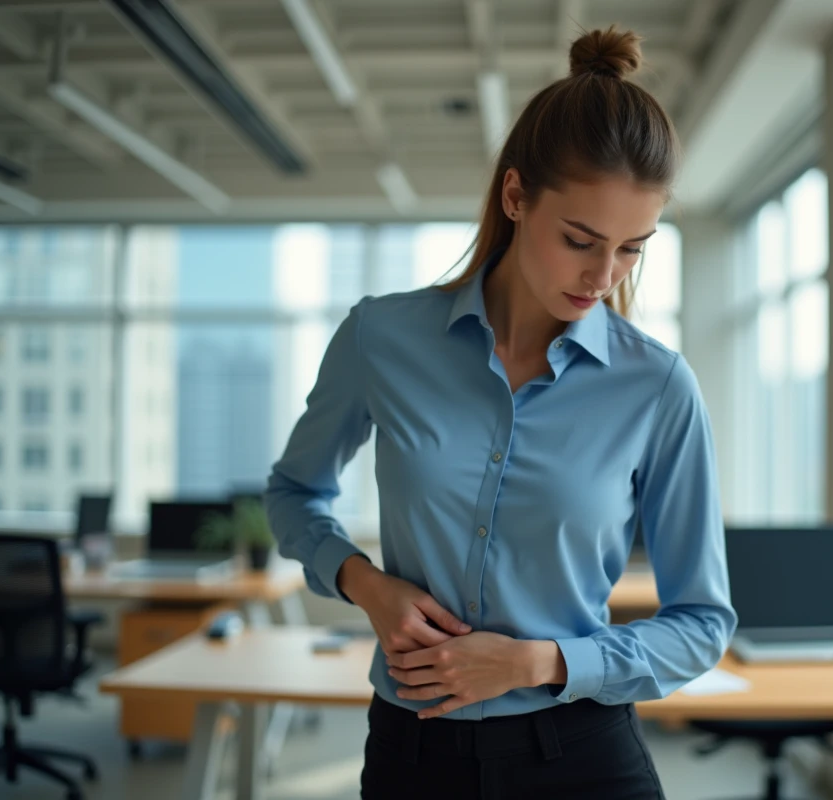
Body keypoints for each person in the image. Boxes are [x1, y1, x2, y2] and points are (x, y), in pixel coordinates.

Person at [266, 25, 737, 800]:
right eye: (580, 238)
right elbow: (293, 495)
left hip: (582, 754)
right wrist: (364, 584)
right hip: (414, 754)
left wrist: (540, 662)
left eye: (632, 248)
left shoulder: (658, 387)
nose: (602, 275)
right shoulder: (380, 338)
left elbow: (702, 623)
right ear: (516, 196)